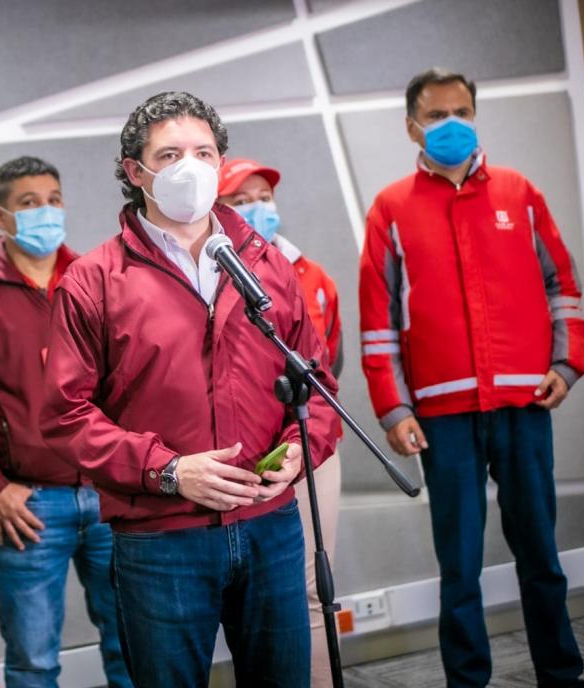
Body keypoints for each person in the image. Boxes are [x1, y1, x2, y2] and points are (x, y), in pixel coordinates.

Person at [40, 91, 339, 688]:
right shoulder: (93, 280)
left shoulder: (265, 264)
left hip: (271, 524)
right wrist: (169, 470)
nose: (191, 167)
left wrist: (303, 448)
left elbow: (318, 382)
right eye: (170, 154)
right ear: (135, 172)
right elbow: (65, 417)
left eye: (203, 152)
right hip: (161, 541)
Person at [359, 68, 584, 688]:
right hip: (441, 416)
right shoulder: (391, 209)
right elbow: (377, 322)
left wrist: (568, 364)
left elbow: (562, 287)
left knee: (541, 556)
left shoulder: (519, 193)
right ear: (412, 127)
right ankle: (468, 682)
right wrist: (393, 408)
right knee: (458, 567)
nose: (452, 124)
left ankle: (563, 677)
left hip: (523, 402)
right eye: (437, 115)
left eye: (462, 110)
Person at [0, 156, 130, 688]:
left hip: (110, 497)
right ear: (1, 217)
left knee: (133, 645)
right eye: (29, 203)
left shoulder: (97, 280)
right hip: (30, 508)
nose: (46, 211)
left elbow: (126, 382)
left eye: (54, 200)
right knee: (34, 660)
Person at [218, 158, 343, 688]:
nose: (259, 207)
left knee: (314, 590)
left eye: (264, 195)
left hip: (311, 446)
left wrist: (304, 438)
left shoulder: (311, 274)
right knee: (253, 593)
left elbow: (326, 362)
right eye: (243, 197)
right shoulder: (214, 273)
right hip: (237, 460)